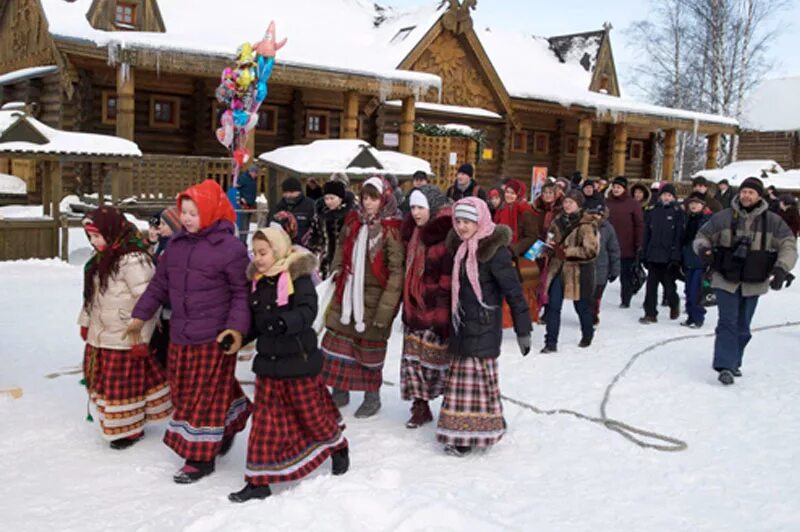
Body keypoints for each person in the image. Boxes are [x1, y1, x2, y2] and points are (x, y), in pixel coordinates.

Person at [130, 179, 253, 484]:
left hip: (215, 337)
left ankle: (199, 458)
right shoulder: (176, 246)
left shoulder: (231, 249)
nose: (185, 218)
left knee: (202, 396)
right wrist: (139, 316)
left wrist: (236, 330)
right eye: (183, 211)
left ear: (211, 212)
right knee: (187, 392)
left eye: (193, 212)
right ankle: (229, 421)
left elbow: (241, 293)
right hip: (181, 334)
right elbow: (159, 285)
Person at [228, 227, 348, 503]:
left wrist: (284, 322)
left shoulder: (297, 276)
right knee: (264, 424)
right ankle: (258, 481)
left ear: (278, 250)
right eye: (255, 253)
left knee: (312, 415)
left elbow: (308, 311)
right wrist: (239, 338)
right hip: (268, 364)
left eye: (263, 252)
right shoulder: (258, 282)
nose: (258, 259)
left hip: (298, 361)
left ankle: (338, 446)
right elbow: (258, 323)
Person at [438, 198, 532, 456]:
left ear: (480, 220)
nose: (462, 226)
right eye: (458, 221)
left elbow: (513, 292)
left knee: (477, 383)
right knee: (463, 385)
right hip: (460, 326)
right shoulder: (458, 249)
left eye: (468, 222)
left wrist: (523, 329)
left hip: (483, 326)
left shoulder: (494, 251)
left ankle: (467, 436)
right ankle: (467, 429)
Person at [79, 207, 172, 449]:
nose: (94, 241)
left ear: (112, 231)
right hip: (102, 333)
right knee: (105, 383)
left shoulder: (134, 259)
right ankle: (117, 421)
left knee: (124, 386)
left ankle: (130, 429)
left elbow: (148, 301)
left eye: (98, 236)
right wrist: (86, 323)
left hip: (125, 335)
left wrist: (141, 338)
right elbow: (92, 298)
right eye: (91, 237)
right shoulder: (101, 258)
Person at [693, 177, 797, 385]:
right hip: (725, 278)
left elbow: (788, 245)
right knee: (727, 322)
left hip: (754, 281)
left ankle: (734, 360)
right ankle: (725, 365)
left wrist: (781, 268)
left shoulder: (773, 221)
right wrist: (704, 250)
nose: (746, 196)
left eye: (751, 192)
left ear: (759, 196)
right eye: (744, 191)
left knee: (743, 326)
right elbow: (702, 235)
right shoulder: (723, 217)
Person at [320, 177, 404, 418]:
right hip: (347, 291)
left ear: (384, 199)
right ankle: (340, 390)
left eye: (373, 198)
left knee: (369, 350)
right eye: (365, 197)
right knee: (338, 343)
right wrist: (337, 272)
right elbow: (341, 249)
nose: (367, 203)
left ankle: (372, 397)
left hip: (375, 298)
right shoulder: (353, 222)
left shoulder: (391, 230)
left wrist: (386, 309)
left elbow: (396, 272)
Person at [400, 185, 453, 429]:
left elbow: (448, 279)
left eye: (420, 207)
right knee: (413, 362)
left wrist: (441, 314)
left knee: (436, 364)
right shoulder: (412, 234)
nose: (416, 212)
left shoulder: (444, 236)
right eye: (412, 207)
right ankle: (419, 407)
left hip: (434, 309)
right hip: (414, 308)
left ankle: (449, 408)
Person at [540, 191, 599, 352]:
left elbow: (591, 251)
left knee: (581, 307)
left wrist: (567, 251)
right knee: (553, 306)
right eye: (566, 201)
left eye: (571, 202)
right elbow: (549, 240)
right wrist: (546, 248)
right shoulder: (557, 221)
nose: (567, 205)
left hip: (577, 272)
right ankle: (550, 343)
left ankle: (587, 333)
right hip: (557, 269)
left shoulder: (586, 225)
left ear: (578, 204)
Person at [494, 178, 539, 324]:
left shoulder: (525, 211)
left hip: (518, 256)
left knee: (520, 290)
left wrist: (514, 248)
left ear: (519, 194)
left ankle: (523, 319)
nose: (509, 195)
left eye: (512, 193)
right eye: (507, 192)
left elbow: (532, 236)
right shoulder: (502, 209)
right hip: (501, 253)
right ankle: (505, 320)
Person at [640, 184, 684, 324]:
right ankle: (650, 313)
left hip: (668, 256)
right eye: (664, 195)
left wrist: (676, 256)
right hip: (653, 254)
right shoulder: (653, 211)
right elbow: (647, 233)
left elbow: (679, 236)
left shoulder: (677, 213)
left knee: (668, 285)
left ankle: (674, 302)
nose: (666, 197)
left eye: (669, 195)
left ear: (673, 198)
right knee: (651, 286)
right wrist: (643, 252)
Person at [606, 176, 645, 308]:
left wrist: (639, 242)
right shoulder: (607, 202)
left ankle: (625, 299)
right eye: (614, 187)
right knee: (602, 272)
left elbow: (639, 224)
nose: (616, 189)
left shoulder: (633, 204)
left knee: (626, 275)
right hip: (607, 245)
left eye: (619, 187)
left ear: (624, 189)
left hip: (626, 245)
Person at [308, 180, 355, 279]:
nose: (328, 201)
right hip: (325, 263)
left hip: (348, 261)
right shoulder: (320, 216)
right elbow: (314, 237)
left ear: (341, 198)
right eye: (326, 198)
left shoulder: (352, 215)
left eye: (332, 198)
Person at [681, 192, 712, 328]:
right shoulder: (686, 219)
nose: (694, 206)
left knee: (696, 290)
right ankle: (690, 316)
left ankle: (698, 317)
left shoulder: (707, 221)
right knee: (688, 290)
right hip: (687, 259)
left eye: (697, 203)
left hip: (700, 261)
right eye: (692, 203)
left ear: (703, 205)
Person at [590, 204, 621, 326]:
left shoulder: (608, 229)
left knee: (596, 294)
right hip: (587, 267)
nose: (597, 217)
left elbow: (614, 250)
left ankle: (594, 314)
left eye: (600, 215)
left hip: (602, 267)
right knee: (587, 295)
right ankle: (588, 314)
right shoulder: (585, 226)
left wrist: (615, 270)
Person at [268, 177, 316, 245]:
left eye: (292, 192)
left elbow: (316, 228)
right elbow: (269, 226)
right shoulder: (278, 207)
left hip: (305, 247)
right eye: (285, 192)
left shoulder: (310, 206)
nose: (288, 195)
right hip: (283, 247)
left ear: (299, 191)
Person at [235, 166, 258, 243]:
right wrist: (241, 198)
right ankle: (242, 241)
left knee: (247, 224)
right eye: (255, 173)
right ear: (251, 172)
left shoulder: (254, 180)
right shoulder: (243, 178)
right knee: (244, 224)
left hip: (251, 204)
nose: (256, 175)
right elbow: (236, 188)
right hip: (244, 204)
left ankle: (244, 241)